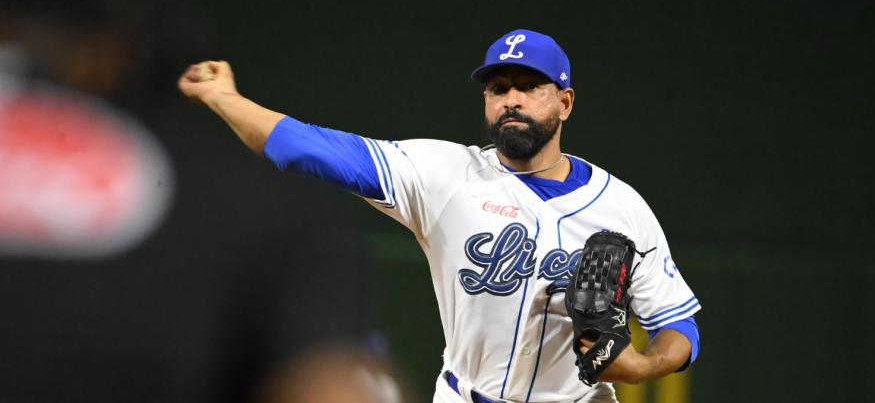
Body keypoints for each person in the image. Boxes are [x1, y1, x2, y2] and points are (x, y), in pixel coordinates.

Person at [178, 29, 701, 403]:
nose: (511, 100)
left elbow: (678, 324)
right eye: (499, 89)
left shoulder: (622, 207)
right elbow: (306, 148)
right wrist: (225, 98)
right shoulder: (446, 175)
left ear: (564, 102)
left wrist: (645, 364)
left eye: (529, 86)